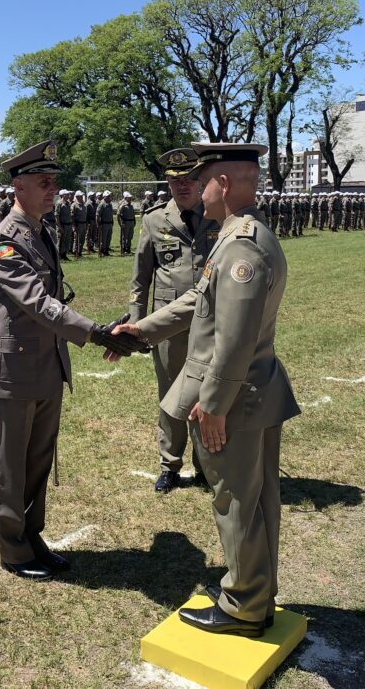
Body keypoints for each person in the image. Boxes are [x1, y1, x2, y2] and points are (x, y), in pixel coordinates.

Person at [113, 142, 300, 638]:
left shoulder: (240, 243)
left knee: (236, 500)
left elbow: (235, 338)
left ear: (225, 184)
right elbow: (200, 296)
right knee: (256, 501)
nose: (197, 189)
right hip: (256, 389)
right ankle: (256, 592)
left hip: (235, 397)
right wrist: (144, 329)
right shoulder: (244, 233)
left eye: (205, 181)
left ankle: (242, 604)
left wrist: (213, 405)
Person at [0, 139, 145, 581]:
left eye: (55, 181)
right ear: (19, 185)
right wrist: (93, 332)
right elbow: (37, 302)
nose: (54, 189)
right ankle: (13, 551)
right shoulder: (4, 242)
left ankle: (32, 538)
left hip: (47, 366)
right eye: (44, 181)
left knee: (38, 463)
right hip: (14, 372)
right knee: (10, 467)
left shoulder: (40, 231)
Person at [129, 148, 218, 494]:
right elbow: (140, 279)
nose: (182, 186)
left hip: (210, 322)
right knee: (170, 396)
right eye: (175, 180)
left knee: (208, 393)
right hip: (168, 326)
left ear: (200, 181)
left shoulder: (217, 215)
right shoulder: (153, 219)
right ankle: (170, 465)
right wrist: (138, 325)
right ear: (167, 181)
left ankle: (206, 467)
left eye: (189, 179)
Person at [57, 190, 73, 261]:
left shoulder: (68, 203)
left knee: (67, 240)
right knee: (61, 241)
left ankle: (64, 255)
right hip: (62, 225)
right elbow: (56, 216)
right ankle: (59, 256)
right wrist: (60, 227)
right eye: (67, 194)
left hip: (68, 224)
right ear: (63, 195)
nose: (68, 196)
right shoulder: (59, 203)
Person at [97, 191, 114, 257]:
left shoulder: (110, 204)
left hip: (109, 223)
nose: (110, 197)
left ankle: (106, 250)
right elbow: (98, 215)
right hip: (104, 224)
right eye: (108, 196)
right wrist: (98, 225)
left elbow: (111, 214)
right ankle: (103, 250)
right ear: (105, 197)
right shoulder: (101, 204)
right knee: (103, 238)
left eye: (110, 196)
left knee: (108, 238)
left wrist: (112, 221)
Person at [71, 190, 87, 258]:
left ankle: (80, 252)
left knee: (82, 239)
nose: (81, 197)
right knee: (77, 239)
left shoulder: (83, 204)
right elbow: (72, 216)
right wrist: (74, 225)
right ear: (77, 197)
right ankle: (75, 252)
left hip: (83, 224)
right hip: (78, 224)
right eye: (80, 196)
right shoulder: (74, 205)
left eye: (82, 196)